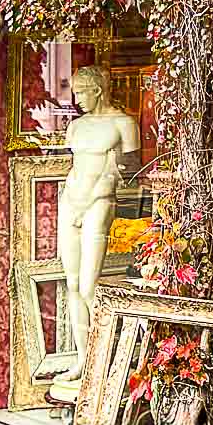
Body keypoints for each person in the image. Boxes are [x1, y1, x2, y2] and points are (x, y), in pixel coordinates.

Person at [56, 66, 139, 383]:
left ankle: (110, 357)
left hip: (100, 203)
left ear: (98, 90)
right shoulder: (76, 127)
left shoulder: (123, 124)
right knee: (73, 285)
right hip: (71, 203)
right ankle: (83, 359)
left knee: (90, 287)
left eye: (81, 92)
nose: (76, 100)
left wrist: (115, 173)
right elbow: (76, 167)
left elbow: (132, 172)